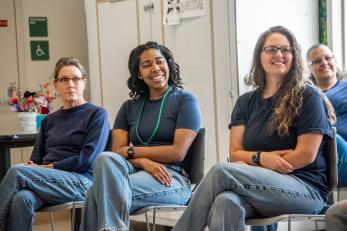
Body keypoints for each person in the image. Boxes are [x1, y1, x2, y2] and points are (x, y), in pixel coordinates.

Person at [172, 25, 335, 231]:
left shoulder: (308, 95)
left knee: (221, 171)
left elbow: (306, 155)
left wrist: (255, 165)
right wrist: (262, 158)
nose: (279, 54)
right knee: (225, 201)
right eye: (271, 49)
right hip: (261, 188)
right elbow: (235, 152)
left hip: (304, 189)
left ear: (294, 56)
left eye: (286, 49)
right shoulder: (245, 102)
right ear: (260, 56)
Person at [79, 41, 201, 231]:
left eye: (160, 62)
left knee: (96, 193)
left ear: (168, 65)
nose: (155, 68)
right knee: (105, 159)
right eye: (146, 65)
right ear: (138, 74)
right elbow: (117, 154)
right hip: (135, 172)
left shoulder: (185, 101)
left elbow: (177, 152)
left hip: (170, 178)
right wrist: (144, 162)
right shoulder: (129, 107)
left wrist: (133, 151)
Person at [0, 57, 110, 231]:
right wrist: (36, 167)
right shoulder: (48, 120)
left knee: (17, 171)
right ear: (56, 84)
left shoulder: (97, 114)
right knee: (22, 199)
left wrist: (49, 168)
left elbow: (88, 159)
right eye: (64, 79)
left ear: (84, 82)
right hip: (48, 180)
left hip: (82, 181)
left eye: (76, 79)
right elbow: (36, 159)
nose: (70, 84)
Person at [306, 44, 347, 187]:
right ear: (309, 68)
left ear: (335, 62)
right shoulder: (307, 95)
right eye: (317, 61)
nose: (324, 63)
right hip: (318, 158)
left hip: (341, 153)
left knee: (330, 136)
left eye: (328, 58)